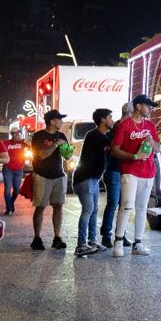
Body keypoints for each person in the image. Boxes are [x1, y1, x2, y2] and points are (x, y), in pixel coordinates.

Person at [109, 94, 160, 256]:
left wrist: (152, 142)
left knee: (142, 207)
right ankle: (118, 241)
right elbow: (114, 150)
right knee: (126, 204)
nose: (151, 108)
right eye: (148, 105)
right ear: (138, 106)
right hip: (130, 170)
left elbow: (158, 148)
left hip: (148, 171)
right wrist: (133, 156)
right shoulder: (125, 126)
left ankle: (138, 243)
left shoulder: (150, 125)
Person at [73, 108, 113, 257]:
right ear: (103, 119)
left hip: (94, 179)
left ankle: (92, 241)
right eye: (110, 117)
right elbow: (114, 141)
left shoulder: (103, 136)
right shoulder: (94, 135)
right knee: (88, 210)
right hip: (84, 178)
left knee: (94, 210)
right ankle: (81, 245)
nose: (111, 120)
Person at [30, 109, 70, 251]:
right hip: (42, 175)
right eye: (60, 119)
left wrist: (67, 151)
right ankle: (37, 238)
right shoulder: (39, 136)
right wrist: (55, 145)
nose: (62, 121)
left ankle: (57, 237)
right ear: (52, 121)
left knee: (58, 206)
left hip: (58, 174)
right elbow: (40, 155)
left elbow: (66, 156)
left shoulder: (62, 136)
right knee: (40, 206)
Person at [100, 101, 131, 249]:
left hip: (119, 170)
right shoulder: (120, 126)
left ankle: (119, 235)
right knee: (115, 204)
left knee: (121, 205)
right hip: (114, 170)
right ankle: (108, 235)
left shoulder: (119, 125)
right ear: (130, 113)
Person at [2, 127, 27, 214]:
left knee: (16, 190)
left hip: (19, 169)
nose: (16, 135)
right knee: (7, 189)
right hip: (7, 168)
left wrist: (23, 141)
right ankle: (8, 208)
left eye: (17, 133)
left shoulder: (23, 142)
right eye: (13, 133)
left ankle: (11, 203)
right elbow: (0, 151)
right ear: (11, 134)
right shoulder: (6, 143)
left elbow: (33, 146)